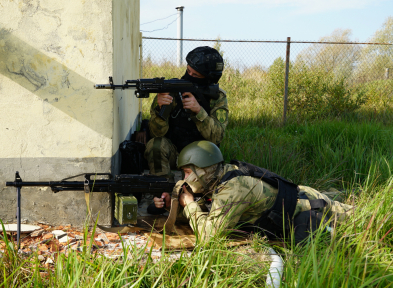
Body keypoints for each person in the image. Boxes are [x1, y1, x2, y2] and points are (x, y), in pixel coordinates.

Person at [152, 141, 355, 243]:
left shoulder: (233, 189)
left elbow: (210, 236)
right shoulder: (218, 179)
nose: (185, 178)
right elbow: (209, 209)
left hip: (310, 204)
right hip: (299, 202)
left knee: (358, 221)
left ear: (203, 170)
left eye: (188, 172)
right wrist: (174, 205)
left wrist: (189, 204)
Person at [144, 46, 229, 183]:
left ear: (208, 79)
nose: (189, 77)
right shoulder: (170, 90)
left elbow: (217, 137)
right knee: (156, 144)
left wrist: (199, 112)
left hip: (201, 156)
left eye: (195, 75)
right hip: (174, 152)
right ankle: (162, 189)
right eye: (188, 71)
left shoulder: (217, 97)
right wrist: (160, 109)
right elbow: (156, 134)